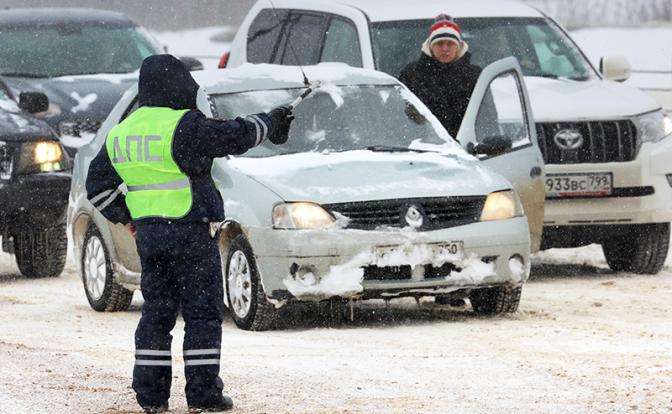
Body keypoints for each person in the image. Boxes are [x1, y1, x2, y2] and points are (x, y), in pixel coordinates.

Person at [85, 54, 293, 413]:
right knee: (202, 315)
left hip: (150, 237)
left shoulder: (122, 132)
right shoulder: (184, 125)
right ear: (178, 84)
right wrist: (271, 121)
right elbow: (235, 135)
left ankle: (151, 397)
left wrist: (128, 218)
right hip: (191, 234)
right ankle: (203, 395)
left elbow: (97, 187)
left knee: (156, 314)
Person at [399, 14, 482, 139]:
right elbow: (396, 113)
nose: (445, 48)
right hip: (420, 147)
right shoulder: (412, 74)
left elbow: (486, 116)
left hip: (466, 146)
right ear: (431, 46)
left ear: (458, 47)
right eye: (439, 43)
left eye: (450, 44)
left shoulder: (474, 75)